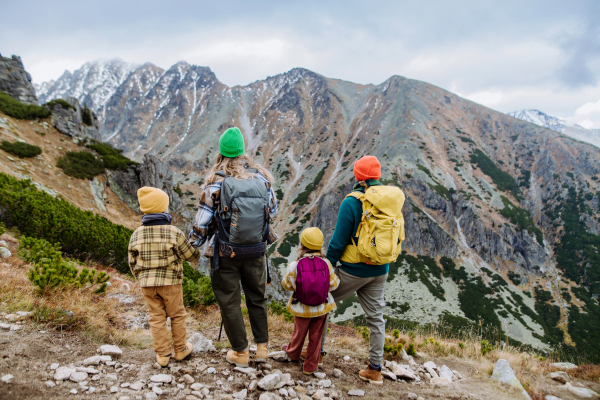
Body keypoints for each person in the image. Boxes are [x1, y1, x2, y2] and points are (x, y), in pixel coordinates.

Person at [189, 127, 278, 367]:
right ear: (241, 151)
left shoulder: (215, 182)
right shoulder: (262, 178)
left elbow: (202, 224)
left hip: (226, 252)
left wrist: (191, 246)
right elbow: (272, 212)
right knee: (257, 298)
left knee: (229, 300)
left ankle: (240, 351)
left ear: (222, 152)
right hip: (257, 251)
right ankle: (261, 349)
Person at [318, 155, 405, 384]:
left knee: (323, 302)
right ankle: (375, 370)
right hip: (380, 270)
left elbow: (338, 240)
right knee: (376, 317)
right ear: (377, 176)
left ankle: (315, 354)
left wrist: (327, 265)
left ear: (358, 176)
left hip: (353, 270)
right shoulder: (389, 201)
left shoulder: (352, 201)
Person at [128, 187, 201, 367]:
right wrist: (195, 247)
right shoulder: (173, 232)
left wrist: (141, 278)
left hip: (147, 285)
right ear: (163, 209)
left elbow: (131, 261)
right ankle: (180, 350)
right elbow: (191, 256)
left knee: (156, 317)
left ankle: (162, 355)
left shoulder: (136, 233)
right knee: (176, 315)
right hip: (171, 283)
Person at [281, 227, 339, 375]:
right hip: (321, 307)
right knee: (316, 336)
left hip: (301, 307)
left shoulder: (295, 265)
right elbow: (334, 284)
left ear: (302, 244)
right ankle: (311, 366)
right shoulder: (325, 263)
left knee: (299, 332)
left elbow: (286, 285)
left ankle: (293, 353)